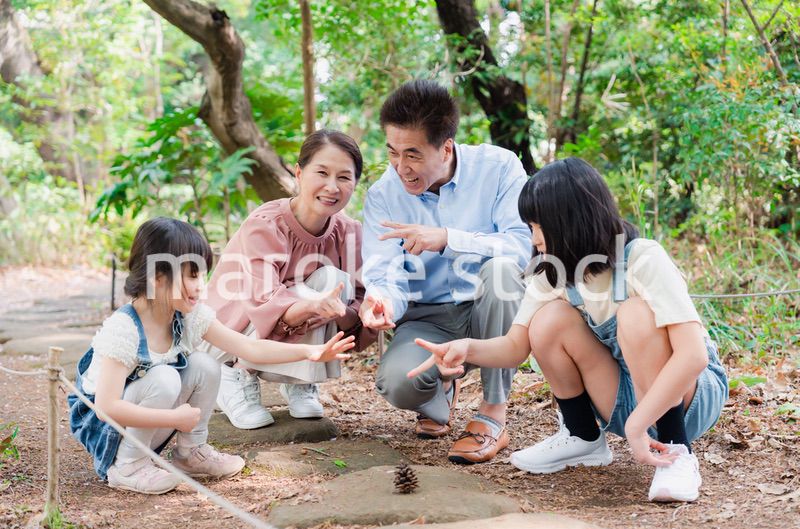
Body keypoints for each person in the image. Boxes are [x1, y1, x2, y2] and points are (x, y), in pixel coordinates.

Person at [409, 157, 728, 502]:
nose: (533, 238)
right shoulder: (554, 272)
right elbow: (516, 346)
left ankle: (677, 452)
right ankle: (583, 437)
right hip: (626, 398)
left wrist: (639, 424)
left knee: (635, 315)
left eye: (538, 226)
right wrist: (466, 348)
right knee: (548, 321)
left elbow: (692, 356)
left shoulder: (642, 258)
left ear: (569, 221)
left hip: (688, 400)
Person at [68, 217, 354, 495]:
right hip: (104, 430)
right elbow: (106, 407)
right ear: (158, 278)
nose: (200, 285)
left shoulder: (185, 316)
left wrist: (309, 351)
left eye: (201, 274)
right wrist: (172, 418)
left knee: (205, 364)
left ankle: (190, 453)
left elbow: (248, 347)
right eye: (192, 275)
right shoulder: (124, 328)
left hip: (138, 422)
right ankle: (128, 467)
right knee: (166, 377)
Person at [359, 80, 530, 464]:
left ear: (446, 147)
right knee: (397, 385)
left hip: (488, 308)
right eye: (392, 152)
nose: (401, 167)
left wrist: (448, 238)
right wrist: (381, 300)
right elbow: (384, 271)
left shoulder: (499, 168)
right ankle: (441, 391)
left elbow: (521, 247)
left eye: (413, 155)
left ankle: (493, 414)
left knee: (502, 271)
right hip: (427, 317)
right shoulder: (384, 194)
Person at [205, 129, 373, 429]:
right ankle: (232, 374)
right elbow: (263, 303)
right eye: (321, 172)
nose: (332, 187)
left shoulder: (350, 232)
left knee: (336, 281)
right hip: (229, 333)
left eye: (344, 177)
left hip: (286, 328)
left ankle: (299, 379)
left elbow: (358, 309)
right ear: (299, 172)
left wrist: (346, 311)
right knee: (313, 289)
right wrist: (312, 305)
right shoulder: (266, 224)